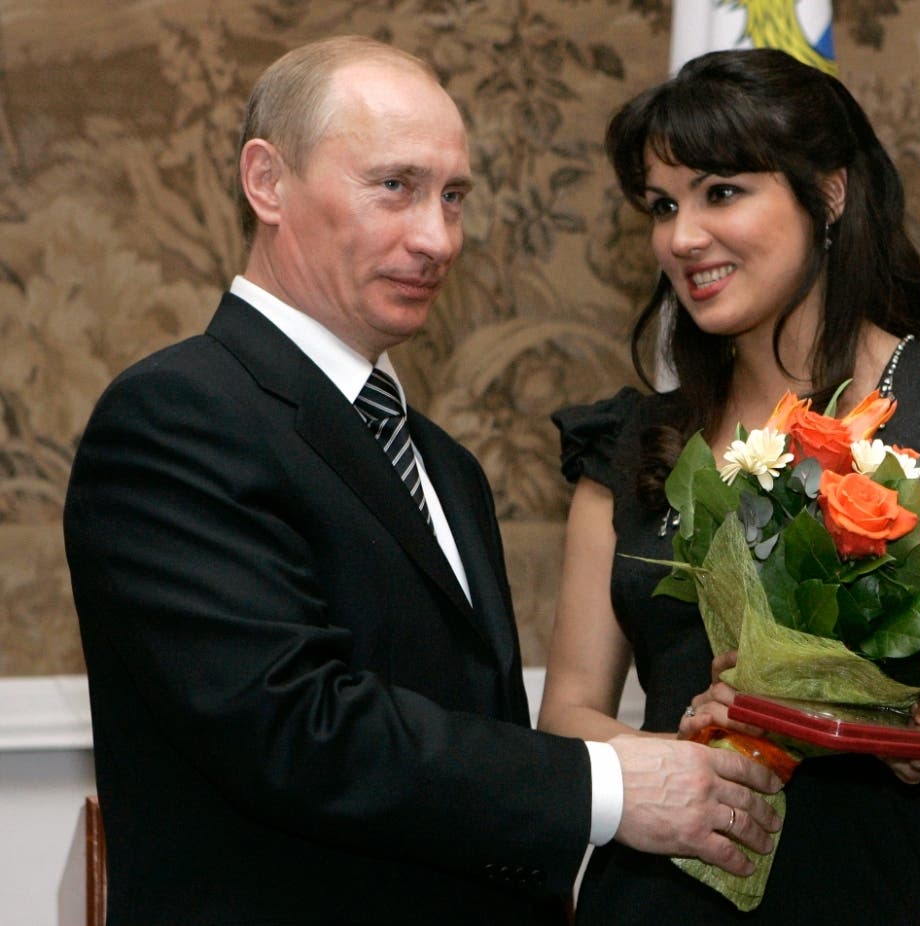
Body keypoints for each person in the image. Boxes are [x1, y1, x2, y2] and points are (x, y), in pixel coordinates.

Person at [62, 36, 785, 926]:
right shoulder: (175, 415)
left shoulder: (443, 464)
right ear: (267, 183)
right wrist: (610, 783)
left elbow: (466, 757)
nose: (437, 238)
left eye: (453, 197)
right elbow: (296, 730)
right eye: (394, 187)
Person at [539, 48, 920, 924]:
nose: (682, 237)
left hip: (893, 892)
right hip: (671, 896)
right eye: (663, 206)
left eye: (721, 192)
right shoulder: (632, 445)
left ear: (829, 194)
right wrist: (686, 751)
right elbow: (569, 714)